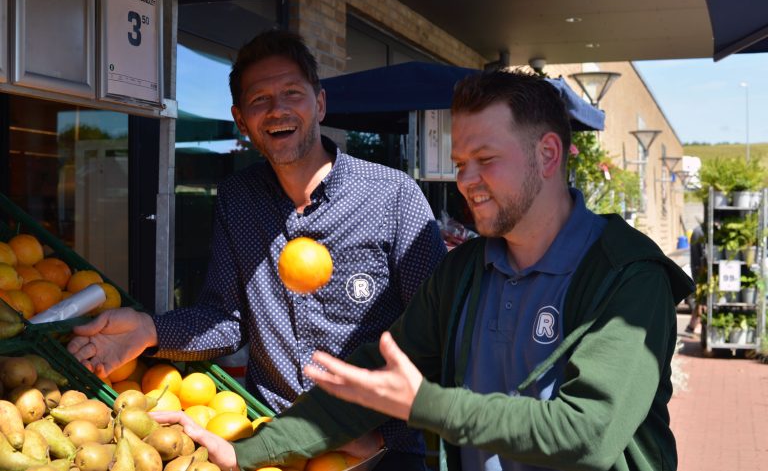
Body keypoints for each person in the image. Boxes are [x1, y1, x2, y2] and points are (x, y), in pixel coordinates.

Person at [155, 69, 694, 471]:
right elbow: (369, 383)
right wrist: (245, 450)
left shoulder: (626, 276)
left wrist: (426, 405)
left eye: (487, 159)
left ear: (548, 155)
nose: (467, 180)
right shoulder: (463, 273)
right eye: (460, 164)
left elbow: (590, 435)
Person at [67, 29, 447, 470]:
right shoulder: (237, 199)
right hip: (272, 441)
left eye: (292, 93)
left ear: (319, 103)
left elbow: (442, 335)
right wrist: (149, 331)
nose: (277, 109)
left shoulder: (392, 196)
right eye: (259, 100)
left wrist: (384, 436)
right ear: (241, 119)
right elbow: (226, 320)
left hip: (379, 453)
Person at [684, 224, 705, 335]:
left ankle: (692, 325)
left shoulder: (697, 231)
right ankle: (696, 325)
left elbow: (694, 263)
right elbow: (696, 263)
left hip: (700, 273)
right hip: (702, 274)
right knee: (702, 299)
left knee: (701, 298)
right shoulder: (699, 232)